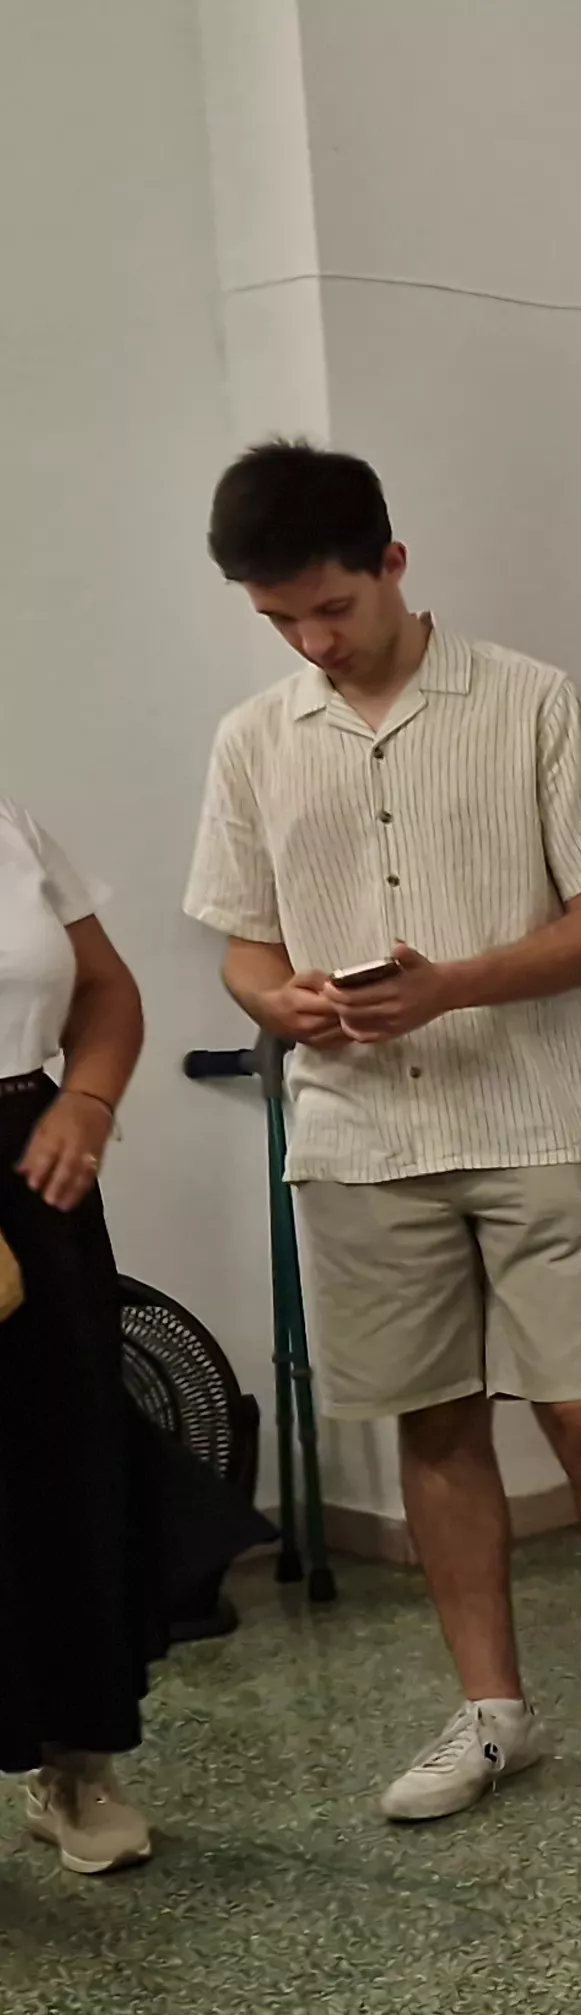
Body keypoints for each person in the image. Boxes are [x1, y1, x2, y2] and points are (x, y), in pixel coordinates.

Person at [181, 441, 581, 1834]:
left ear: (393, 564)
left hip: (536, 1115)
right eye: (282, 623)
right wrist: (284, 1002)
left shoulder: (534, 702)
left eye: (332, 610)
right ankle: (495, 1714)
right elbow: (242, 945)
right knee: (435, 1426)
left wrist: (454, 983)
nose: (315, 642)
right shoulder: (255, 739)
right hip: (360, 1136)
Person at [2, 799, 162, 1875]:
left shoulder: (12, 822)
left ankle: (73, 1760)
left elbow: (103, 990)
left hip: (31, 1164)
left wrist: (91, 1098)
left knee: (61, 1461)